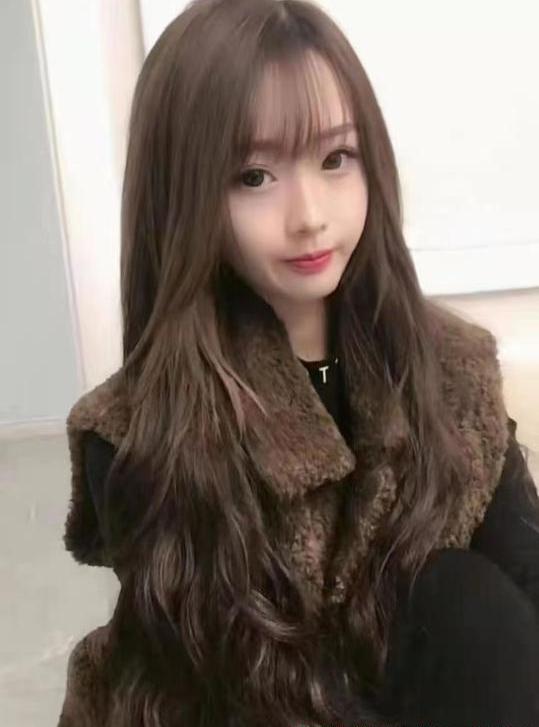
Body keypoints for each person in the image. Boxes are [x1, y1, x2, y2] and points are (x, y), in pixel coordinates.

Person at [57, 0, 539, 725]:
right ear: (184, 195)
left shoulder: (451, 371)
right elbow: (230, 685)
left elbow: (521, 581)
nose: (309, 214)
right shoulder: (138, 433)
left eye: (335, 158)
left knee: (465, 597)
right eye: (253, 176)